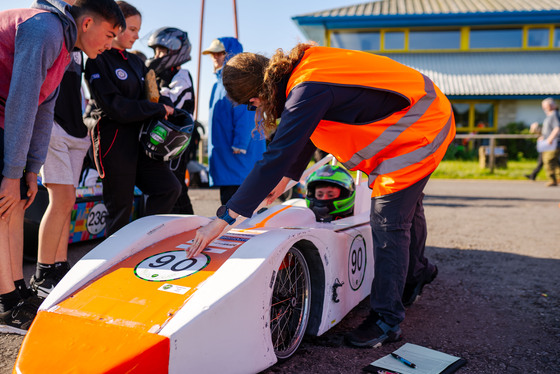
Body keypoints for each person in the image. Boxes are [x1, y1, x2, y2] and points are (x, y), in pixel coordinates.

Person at [189, 43, 455, 348]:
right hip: (424, 113)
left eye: (253, 106)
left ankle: (386, 321)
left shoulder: (306, 89)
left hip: (419, 129)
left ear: (255, 97)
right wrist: (288, 178)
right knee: (408, 208)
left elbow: (277, 154)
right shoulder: (303, 71)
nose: (257, 110)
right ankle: (416, 273)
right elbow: (304, 131)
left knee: (388, 222)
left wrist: (224, 218)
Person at [0, 0, 124, 334]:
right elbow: (22, 100)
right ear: (86, 24)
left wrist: (30, 170)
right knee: (3, 204)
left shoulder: (66, 50)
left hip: (6, 110)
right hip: (5, 108)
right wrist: (12, 173)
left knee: (13, 205)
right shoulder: (45, 30)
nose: (111, 43)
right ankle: (5, 306)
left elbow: (42, 109)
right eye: (109, 34)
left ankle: (16, 292)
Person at [84, 1, 181, 236]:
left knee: (169, 188)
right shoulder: (98, 59)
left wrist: (167, 108)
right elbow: (115, 107)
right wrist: (155, 109)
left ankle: (142, 240)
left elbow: (151, 99)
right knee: (120, 209)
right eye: (132, 29)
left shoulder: (137, 62)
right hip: (113, 142)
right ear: (116, 25)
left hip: (141, 143)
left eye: (139, 30)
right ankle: (109, 266)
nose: (137, 36)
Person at [30, 49, 90, 299]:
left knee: (68, 203)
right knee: (61, 201)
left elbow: (76, 90)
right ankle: (42, 274)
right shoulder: (56, 38)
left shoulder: (80, 51)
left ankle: (59, 266)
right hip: (53, 126)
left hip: (77, 131)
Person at [202, 37, 267, 205]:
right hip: (227, 158)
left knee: (239, 210)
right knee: (230, 206)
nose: (215, 57)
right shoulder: (219, 83)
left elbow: (247, 112)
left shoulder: (236, 82)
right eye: (212, 54)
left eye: (220, 53)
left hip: (239, 158)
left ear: (232, 55)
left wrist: (241, 143)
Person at [146, 27, 196, 214]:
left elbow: (171, 104)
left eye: (162, 51)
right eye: (156, 51)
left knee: (176, 189)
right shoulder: (160, 76)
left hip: (176, 143)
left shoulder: (182, 76)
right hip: (162, 140)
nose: (157, 55)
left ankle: (188, 230)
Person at [537, 98, 560, 187]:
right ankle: (555, 178)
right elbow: (548, 130)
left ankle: (554, 179)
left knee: (548, 160)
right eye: (545, 105)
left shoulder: (554, 114)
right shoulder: (550, 115)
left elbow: (557, 128)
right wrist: (543, 137)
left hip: (554, 142)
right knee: (554, 161)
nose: (546, 107)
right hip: (549, 142)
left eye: (548, 105)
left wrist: (550, 138)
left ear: (553, 105)